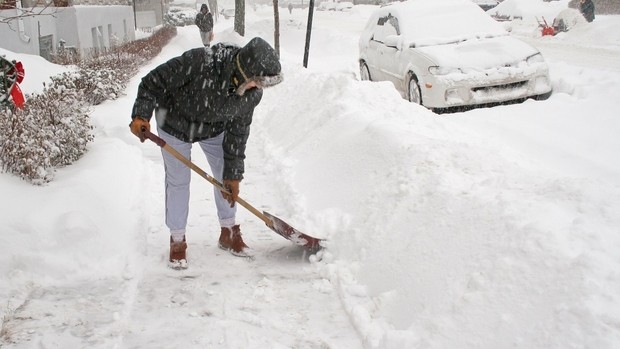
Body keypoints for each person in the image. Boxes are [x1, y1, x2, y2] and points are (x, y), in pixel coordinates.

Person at [129, 38, 283, 269]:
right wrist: (141, 115)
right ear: (244, 72)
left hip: (213, 128)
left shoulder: (251, 95)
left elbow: (238, 132)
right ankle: (178, 238)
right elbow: (153, 81)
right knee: (178, 181)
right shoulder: (201, 62)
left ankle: (228, 231)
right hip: (174, 124)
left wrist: (233, 173)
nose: (258, 88)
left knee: (225, 178)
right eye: (257, 82)